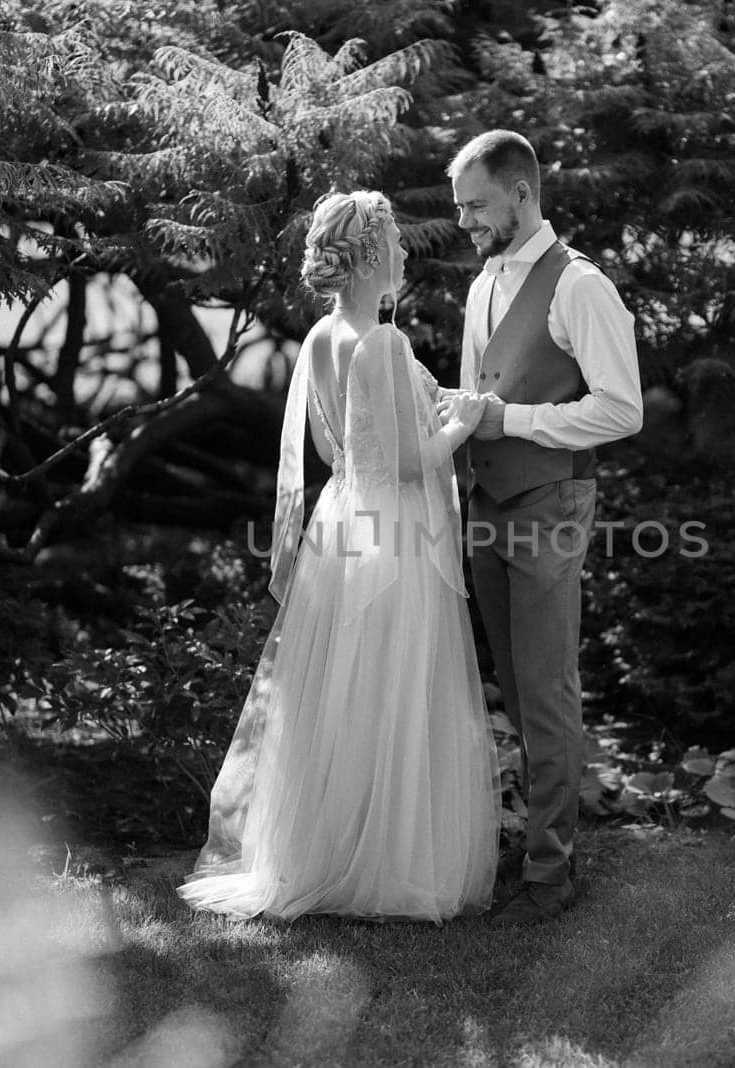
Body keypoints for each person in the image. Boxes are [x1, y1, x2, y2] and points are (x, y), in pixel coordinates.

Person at [178, 191, 500, 922]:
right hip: (393, 534)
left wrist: (424, 418)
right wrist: (469, 420)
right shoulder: (382, 342)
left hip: (341, 527)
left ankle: (320, 852)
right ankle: (387, 865)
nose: (404, 253)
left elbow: (334, 449)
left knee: (340, 694)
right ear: (370, 256)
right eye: (393, 242)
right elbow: (413, 463)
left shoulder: (325, 334)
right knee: (396, 686)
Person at [440, 130, 643, 925]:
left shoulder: (580, 285)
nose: (465, 222)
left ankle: (551, 876)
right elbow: (474, 399)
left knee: (547, 692)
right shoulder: (484, 282)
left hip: (552, 505)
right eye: (459, 208)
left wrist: (508, 420)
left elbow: (622, 409)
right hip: (486, 506)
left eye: (476, 204)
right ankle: (533, 845)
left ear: (521, 193)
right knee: (517, 695)